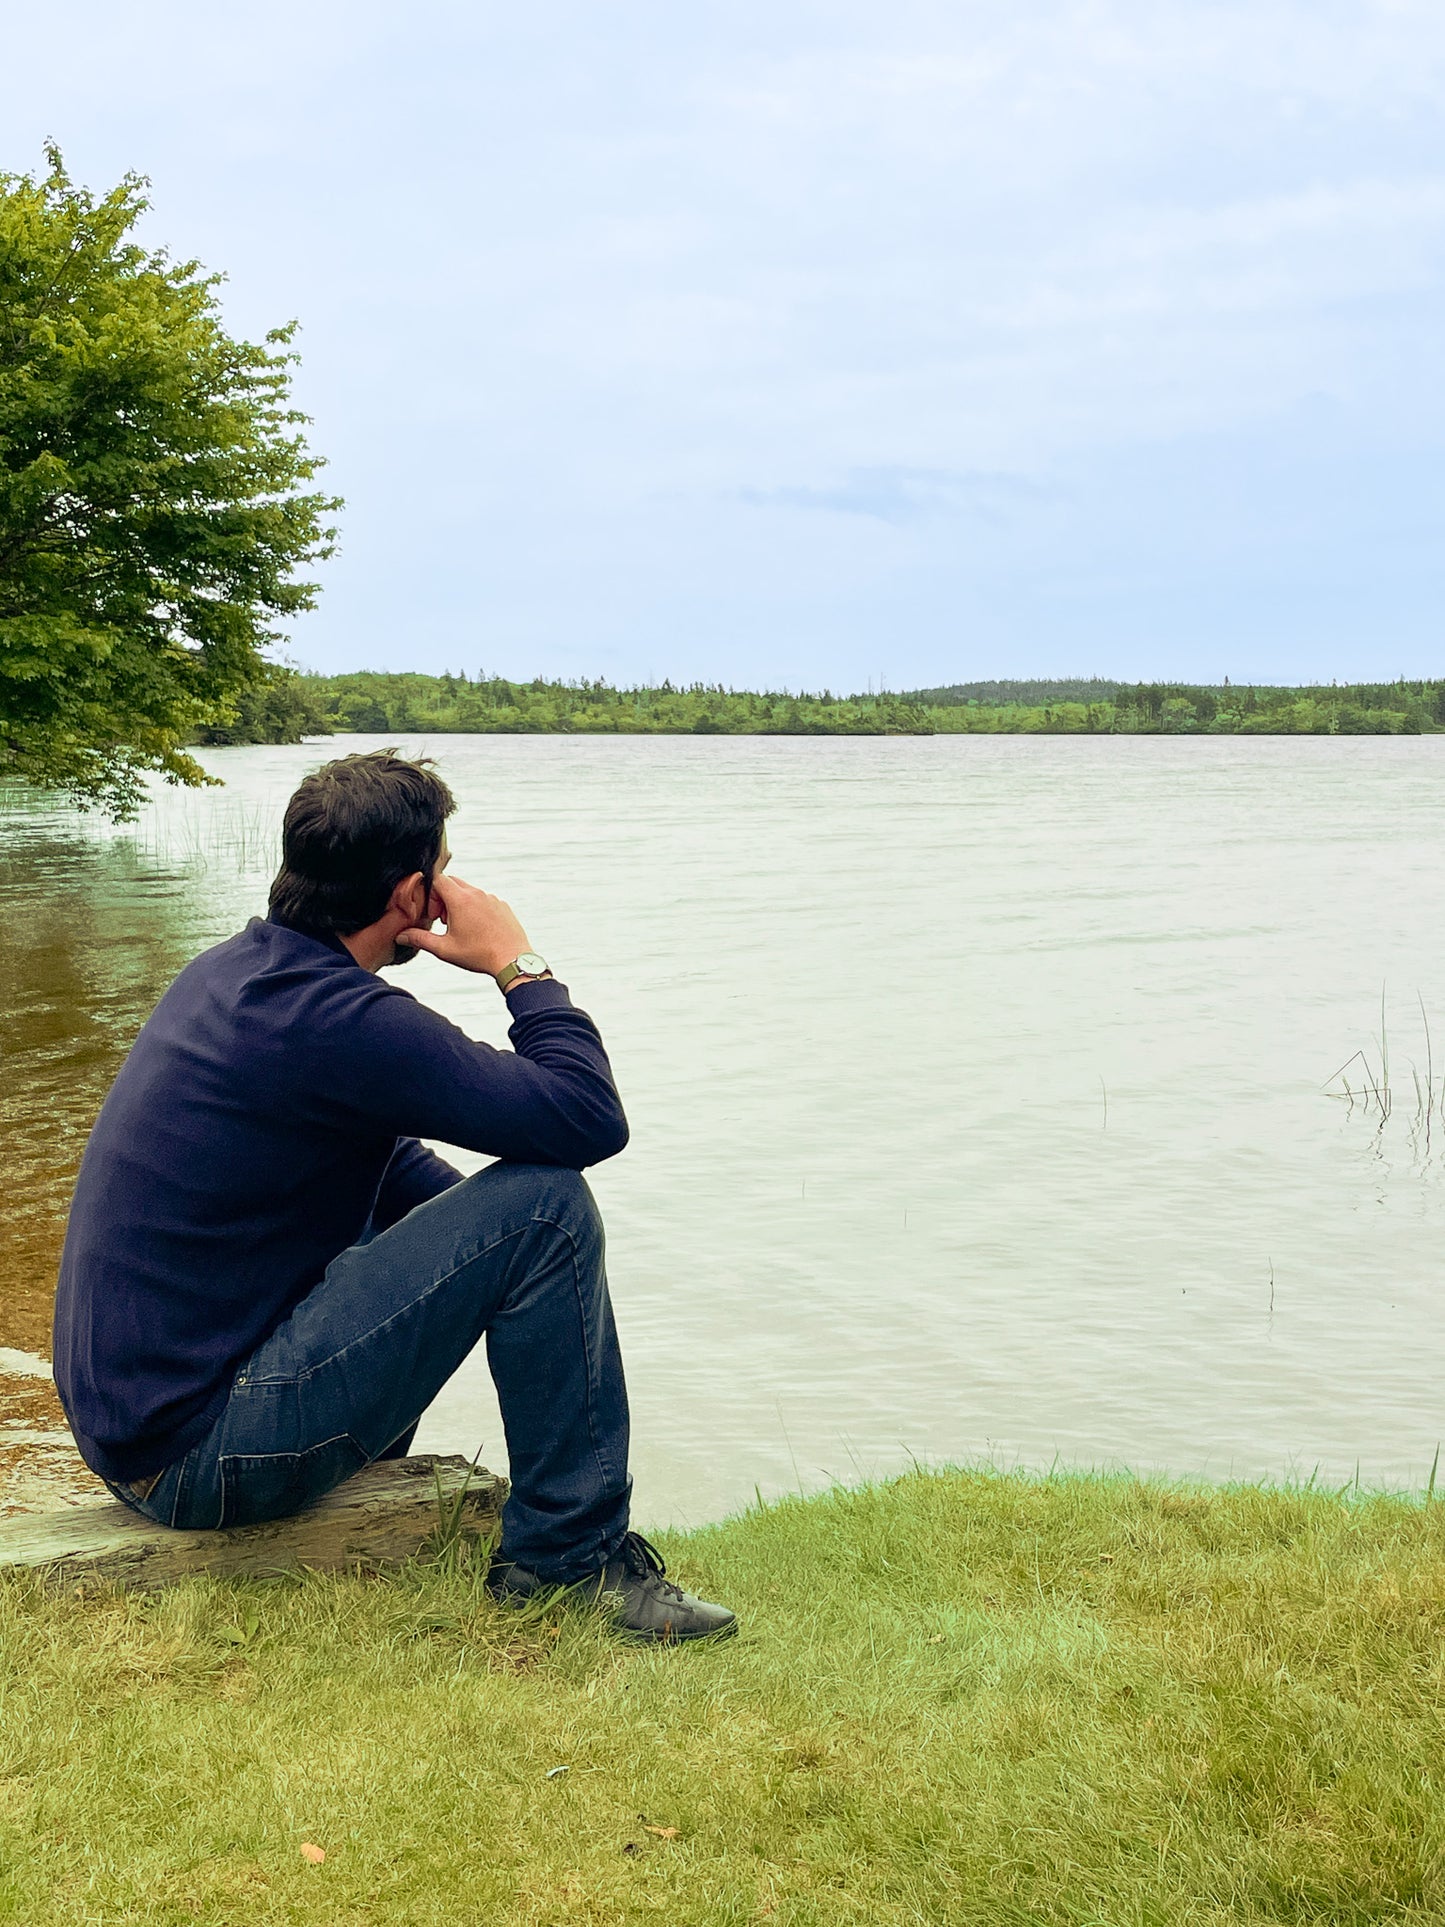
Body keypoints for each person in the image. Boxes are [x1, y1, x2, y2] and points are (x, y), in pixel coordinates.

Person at [52, 749, 735, 1643]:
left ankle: (547, 1534)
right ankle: (571, 1562)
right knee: (547, 1206)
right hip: (193, 1461)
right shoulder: (346, 1022)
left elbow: (402, 1175)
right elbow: (587, 1116)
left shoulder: (240, 974)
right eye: (443, 871)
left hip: (132, 1442)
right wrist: (518, 964)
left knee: (502, 1222)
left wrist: (483, 1275)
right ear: (413, 896)